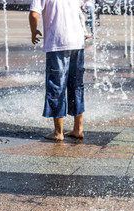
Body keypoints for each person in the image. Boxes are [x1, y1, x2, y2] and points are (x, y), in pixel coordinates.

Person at [29, 0, 85, 141]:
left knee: (56, 85)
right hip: (77, 43)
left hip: (57, 43)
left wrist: (33, 31)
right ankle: (78, 129)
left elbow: (33, 15)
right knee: (76, 85)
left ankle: (58, 132)